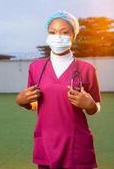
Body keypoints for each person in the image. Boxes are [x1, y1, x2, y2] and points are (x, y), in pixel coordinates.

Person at [16, 11, 101, 169]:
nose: (57, 36)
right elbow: (34, 103)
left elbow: (95, 106)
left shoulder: (87, 69)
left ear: (73, 36)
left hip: (76, 144)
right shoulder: (35, 67)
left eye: (64, 32)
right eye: (52, 32)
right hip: (46, 143)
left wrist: (90, 106)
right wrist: (23, 102)